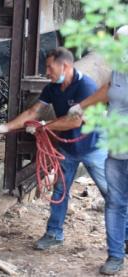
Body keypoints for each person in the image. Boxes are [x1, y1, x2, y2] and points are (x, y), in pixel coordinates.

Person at [0, 47, 108, 250]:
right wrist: (5, 128)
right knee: (60, 190)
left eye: (50, 67)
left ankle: (124, 235)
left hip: (92, 147)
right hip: (68, 149)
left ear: (66, 66)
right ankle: (54, 233)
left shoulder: (85, 86)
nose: (47, 72)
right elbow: (33, 111)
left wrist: (44, 127)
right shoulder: (52, 87)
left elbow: (74, 122)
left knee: (111, 192)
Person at [68, 25, 128, 275]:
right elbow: (108, 89)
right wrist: (81, 106)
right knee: (115, 202)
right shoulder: (118, 70)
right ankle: (115, 255)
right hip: (115, 150)